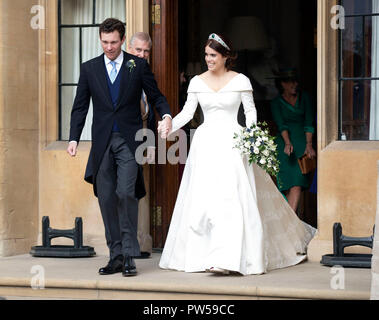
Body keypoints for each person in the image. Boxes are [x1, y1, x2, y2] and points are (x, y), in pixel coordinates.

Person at [158, 33, 316, 276]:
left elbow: (250, 112)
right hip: (206, 144)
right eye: (206, 55)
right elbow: (188, 113)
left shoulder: (241, 80)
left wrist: (252, 136)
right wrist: (170, 125)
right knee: (205, 198)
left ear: (225, 57)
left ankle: (227, 258)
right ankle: (203, 256)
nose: (208, 59)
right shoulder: (197, 82)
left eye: (213, 55)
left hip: (234, 143)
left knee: (230, 199)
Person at [67, 18, 172, 277]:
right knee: (106, 197)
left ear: (123, 40)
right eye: (104, 42)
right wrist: (73, 138)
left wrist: (167, 115)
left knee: (126, 193)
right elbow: (80, 106)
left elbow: (156, 96)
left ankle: (128, 255)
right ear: (100, 40)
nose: (109, 47)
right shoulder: (89, 69)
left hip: (129, 140)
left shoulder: (137, 66)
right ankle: (115, 256)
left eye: (114, 42)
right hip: (102, 143)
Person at [270, 69, 316, 213]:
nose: (295, 84)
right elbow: (281, 124)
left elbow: (309, 122)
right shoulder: (276, 102)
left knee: (296, 184)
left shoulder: (305, 98)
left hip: (302, 144)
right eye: (291, 82)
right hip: (284, 146)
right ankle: (290, 225)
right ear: (282, 84)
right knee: (286, 186)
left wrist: (309, 145)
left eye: (296, 81)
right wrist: (288, 143)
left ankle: (291, 225)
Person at [127, 32, 156, 164]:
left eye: (146, 51)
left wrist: (151, 143)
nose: (142, 55)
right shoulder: (121, 72)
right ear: (129, 48)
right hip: (122, 141)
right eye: (138, 50)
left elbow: (150, 113)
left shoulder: (147, 74)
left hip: (142, 141)